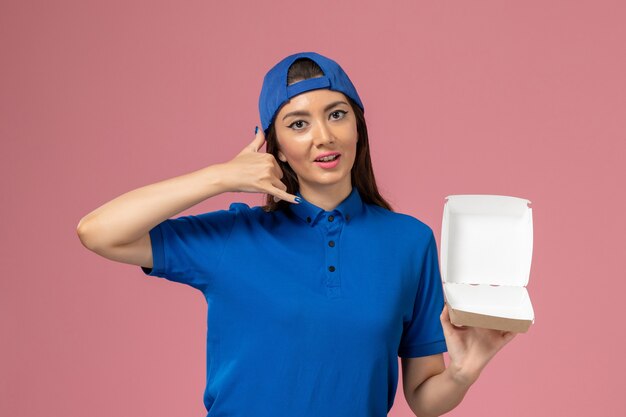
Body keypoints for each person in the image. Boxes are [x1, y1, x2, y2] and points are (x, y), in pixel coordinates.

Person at [77, 51, 516, 417]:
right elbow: (99, 232)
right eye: (298, 124)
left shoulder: (409, 243)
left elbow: (423, 398)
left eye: (337, 114)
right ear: (277, 148)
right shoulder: (235, 236)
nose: (323, 137)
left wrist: (462, 372)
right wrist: (219, 177)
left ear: (358, 129)